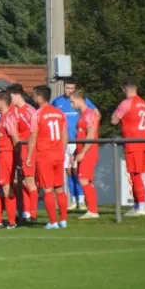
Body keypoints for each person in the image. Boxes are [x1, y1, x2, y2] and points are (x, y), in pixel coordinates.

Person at [52, 77, 100, 210]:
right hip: (67, 142)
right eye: (68, 88)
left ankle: (83, 201)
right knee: (70, 172)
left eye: (72, 88)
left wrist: (93, 129)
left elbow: (96, 117)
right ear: (64, 87)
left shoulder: (86, 109)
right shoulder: (57, 102)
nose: (70, 91)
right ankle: (74, 199)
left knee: (81, 175)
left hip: (81, 143)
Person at [26, 85, 69, 229]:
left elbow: (33, 136)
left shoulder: (38, 114)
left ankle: (52, 222)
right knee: (59, 189)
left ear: (39, 96)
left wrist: (29, 156)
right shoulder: (59, 113)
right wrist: (62, 152)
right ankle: (63, 220)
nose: (33, 97)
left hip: (44, 155)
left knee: (48, 189)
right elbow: (64, 135)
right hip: (58, 154)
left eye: (34, 95)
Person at [111, 78, 145, 216]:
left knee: (135, 174)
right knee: (136, 173)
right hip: (144, 140)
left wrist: (116, 111)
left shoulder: (127, 103)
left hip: (133, 142)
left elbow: (114, 120)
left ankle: (142, 206)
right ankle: (137, 205)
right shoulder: (143, 103)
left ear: (124, 88)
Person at [6, 83, 37, 222]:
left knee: (29, 181)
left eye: (10, 96)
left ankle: (33, 212)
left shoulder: (30, 110)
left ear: (17, 95)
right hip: (17, 149)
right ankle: (25, 211)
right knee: (18, 181)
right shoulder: (13, 111)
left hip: (28, 149)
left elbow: (35, 131)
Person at [70, 89, 100, 219]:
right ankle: (92, 209)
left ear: (79, 99)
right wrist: (76, 153)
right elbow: (80, 136)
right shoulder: (82, 115)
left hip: (89, 151)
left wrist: (82, 152)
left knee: (83, 180)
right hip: (83, 151)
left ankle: (93, 211)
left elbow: (91, 134)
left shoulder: (89, 114)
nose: (71, 105)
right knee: (87, 181)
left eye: (72, 102)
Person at [0, 92, 18, 229]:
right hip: (0, 154)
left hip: (7, 154)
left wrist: (17, 159)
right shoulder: (2, 117)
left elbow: (15, 139)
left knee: (7, 187)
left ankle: (12, 221)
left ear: (2, 101)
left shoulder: (9, 117)